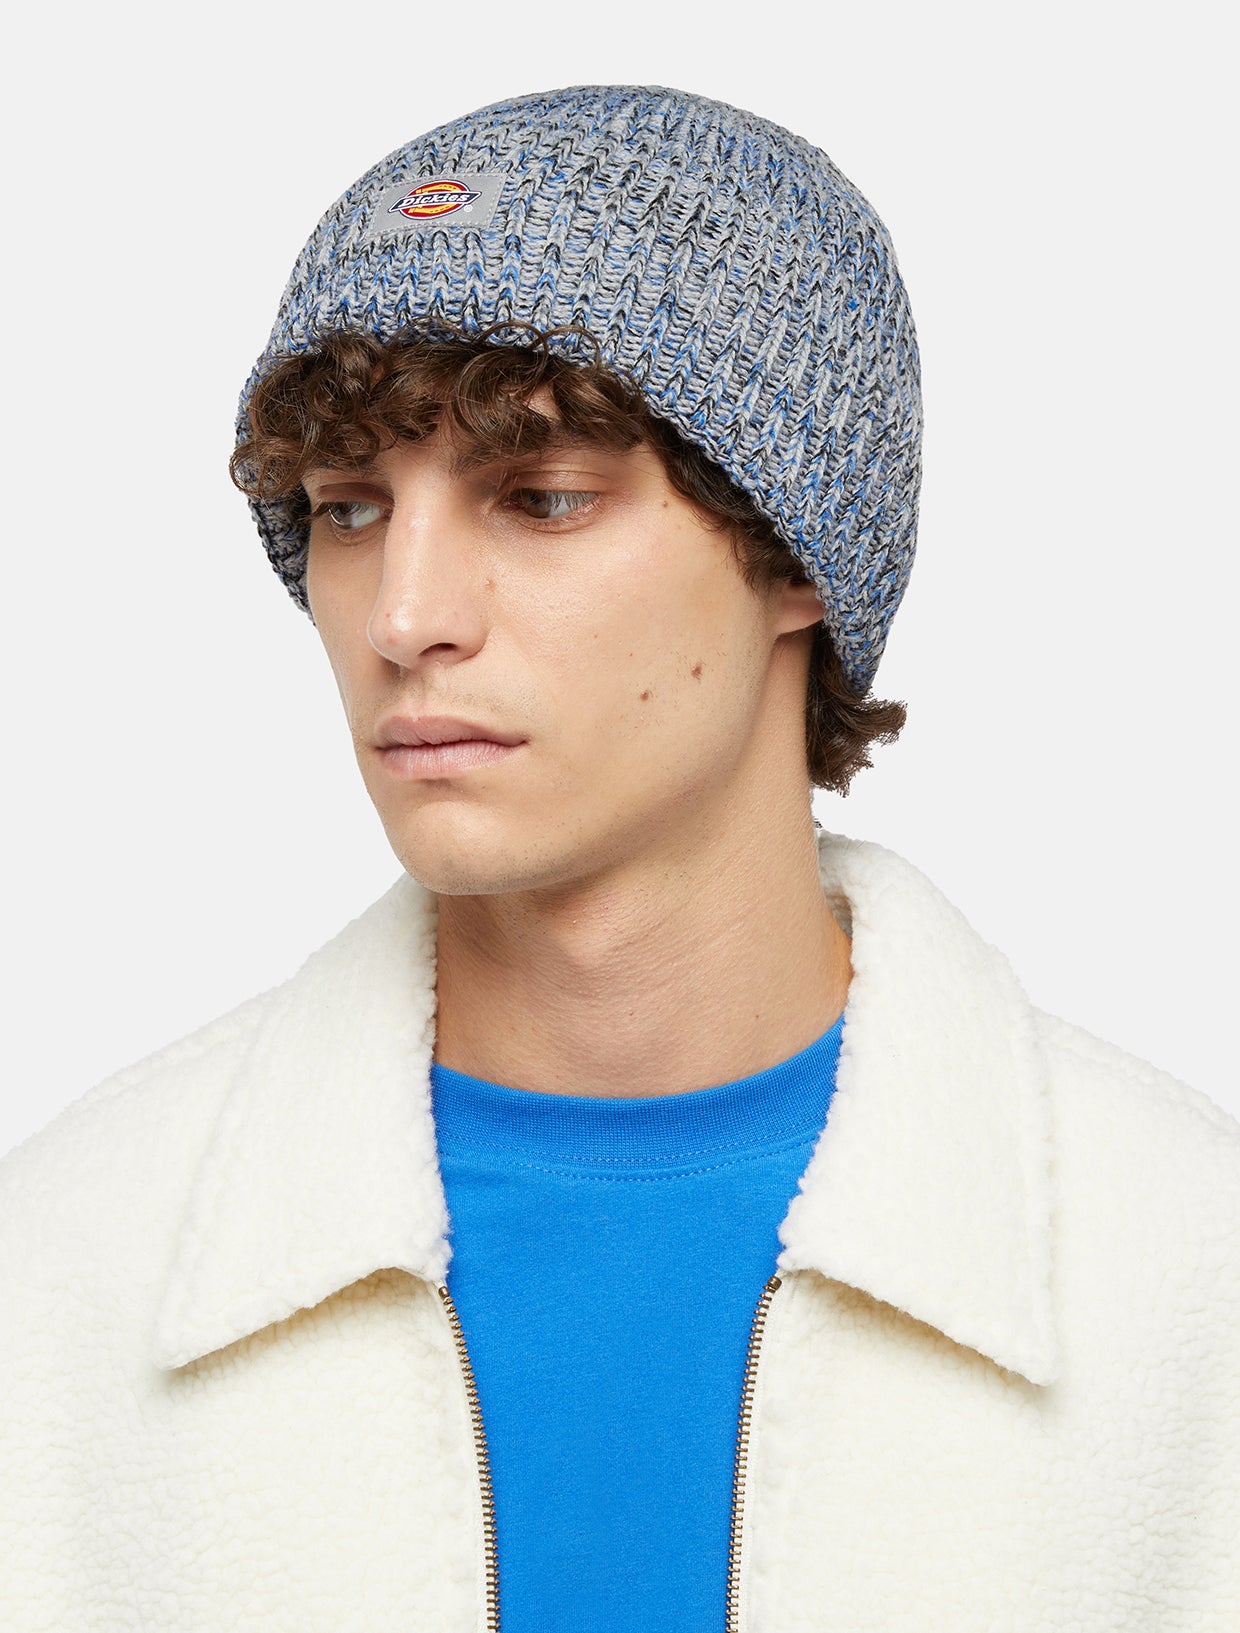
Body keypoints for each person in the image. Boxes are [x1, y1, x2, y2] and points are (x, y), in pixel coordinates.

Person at [1, 83, 1236, 1633]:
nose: (405, 616)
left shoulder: (1184, 1276)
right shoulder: (69, 1268)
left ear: (791, 552)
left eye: (543, 499)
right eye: (349, 511)